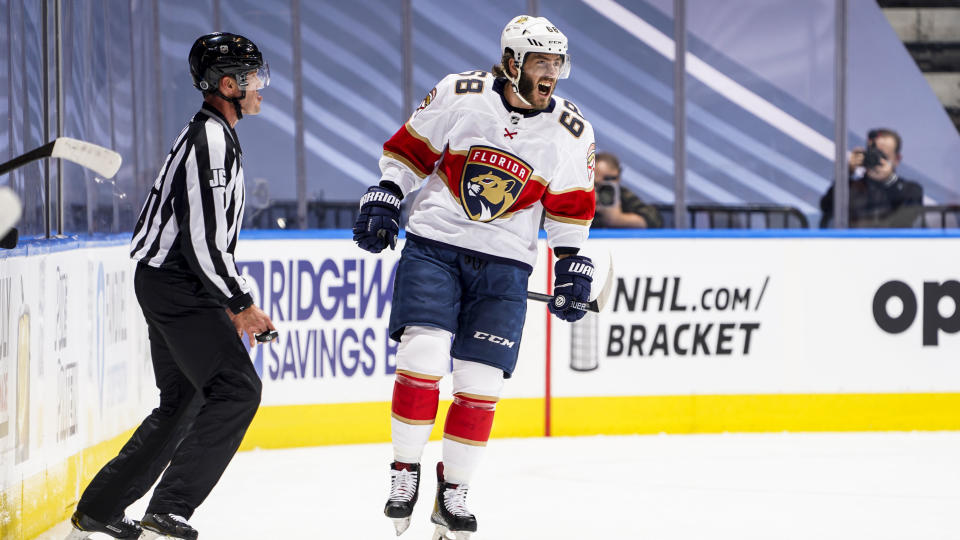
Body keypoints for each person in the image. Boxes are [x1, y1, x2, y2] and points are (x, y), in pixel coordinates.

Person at [353, 15, 596, 539]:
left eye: (556, 63)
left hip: (507, 264)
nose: (550, 73)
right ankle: (404, 471)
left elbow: (570, 210)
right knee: (422, 355)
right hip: (435, 246)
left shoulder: (571, 130)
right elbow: (410, 153)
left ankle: (453, 491)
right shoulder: (460, 93)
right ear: (512, 62)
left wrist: (574, 261)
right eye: (540, 62)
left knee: (481, 382)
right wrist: (387, 192)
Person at [66, 33, 275, 540]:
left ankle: (100, 508)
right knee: (237, 390)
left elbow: (206, 238)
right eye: (251, 78)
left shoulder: (214, 134)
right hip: (179, 284)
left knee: (184, 399)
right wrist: (239, 303)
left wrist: (227, 296)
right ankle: (170, 506)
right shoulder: (211, 141)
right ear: (227, 85)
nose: (260, 88)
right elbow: (203, 240)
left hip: (171, 282)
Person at [819, 128, 924, 228]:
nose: (877, 159)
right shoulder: (852, 188)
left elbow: (910, 216)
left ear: (897, 159)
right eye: (873, 153)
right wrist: (847, 172)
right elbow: (826, 207)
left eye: (883, 156)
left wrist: (889, 180)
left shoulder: (910, 190)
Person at [592, 151, 662, 228]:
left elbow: (654, 220)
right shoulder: (581, 195)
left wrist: (619, 219)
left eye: (608, 179)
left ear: (618, 177)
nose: (603, 186)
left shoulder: (623, 195)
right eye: (595, 183)